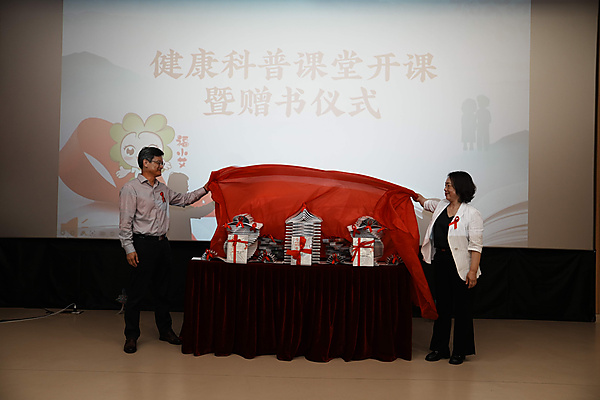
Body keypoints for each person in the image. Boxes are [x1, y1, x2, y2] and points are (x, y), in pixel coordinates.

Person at [118, 146, 209, 354]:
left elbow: (184, 200)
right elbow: (125, 223)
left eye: (162, 163)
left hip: (162, 244)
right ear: (145, 163)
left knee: (163, 291)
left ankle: (165, 330)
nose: (162, 166)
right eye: (158, 162)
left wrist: (206, 188)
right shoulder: (131, 188)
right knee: (136, 294)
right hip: (142, 244)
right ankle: (131, 336)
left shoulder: (162, 189)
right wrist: (129, 248)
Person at [415, 171, 483, 365]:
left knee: (462, 310)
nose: (445, 189)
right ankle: (440, 348)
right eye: (445, 185)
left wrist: (472, 271)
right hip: (441, 261)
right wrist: (413, 195)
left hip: (462, 266)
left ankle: (460, 351)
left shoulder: (472, 214)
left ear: (459, 188)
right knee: (442, 307)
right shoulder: (440, 206)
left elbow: (476, 246)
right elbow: (425, 202)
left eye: (449, 186)